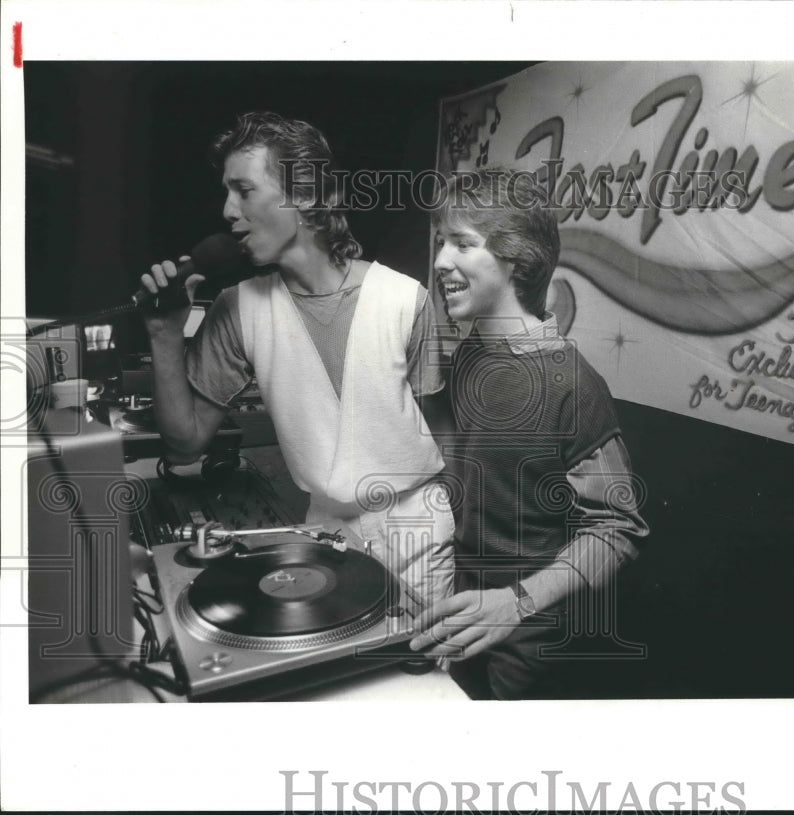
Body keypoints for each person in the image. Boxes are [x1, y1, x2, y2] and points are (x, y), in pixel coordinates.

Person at [139, 111, 453, 606]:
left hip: (421, 531)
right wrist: (163, 334)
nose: (226, 210)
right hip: (324, 534)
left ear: (305, 194)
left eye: (244, 190)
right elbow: (184, 445)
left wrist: (462, 523)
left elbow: (441, 429)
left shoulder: (405, 298)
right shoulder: (236, 308)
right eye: (226, 191)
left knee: (422, 676)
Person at [409, 167, 648, 699]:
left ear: (515, 258)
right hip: (466, 611)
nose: (442, 260)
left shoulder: (575, 385)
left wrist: (515, 602)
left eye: (462, 244)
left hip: (534, 633)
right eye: (441, 243)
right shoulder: (471, 354)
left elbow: (617, 528)